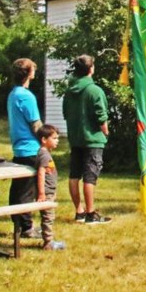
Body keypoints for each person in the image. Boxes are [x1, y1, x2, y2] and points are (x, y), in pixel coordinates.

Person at [62, 54, 112, 224]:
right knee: (90, 176)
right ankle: (91, 214)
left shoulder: (69, 92)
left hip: (75, 138)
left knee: (74, 175)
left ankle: (79, 211)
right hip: (92, 139)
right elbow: (101, 116)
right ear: (91, 69)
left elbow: (65, 113)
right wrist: (105, 132)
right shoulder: (94, 90)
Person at [7, 58, 43, 238]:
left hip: (19, 148)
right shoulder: (27, 96)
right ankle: (27, 227)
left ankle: (19, 225)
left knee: (18, 189)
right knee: (27, 190)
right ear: (29, 73)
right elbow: (35, 125)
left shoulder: (13, 94)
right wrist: (45, 141)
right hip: (30, 148)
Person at [35, 124, 66, 251]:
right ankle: (48, 242)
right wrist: (42, 193)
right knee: (48, 217)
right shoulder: (44, 155)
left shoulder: (45, 153)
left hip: (49, 192)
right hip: (46, 193)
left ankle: (49, 240)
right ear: (44, 140)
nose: (57, 140)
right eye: (54, 138)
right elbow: (41, 173)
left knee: (49, 216)